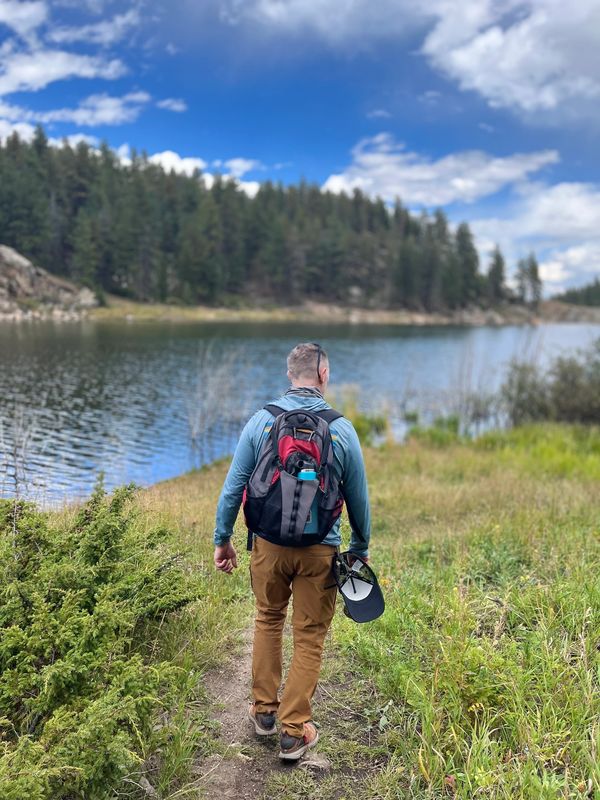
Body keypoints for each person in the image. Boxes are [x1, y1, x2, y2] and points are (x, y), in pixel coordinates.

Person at [213, 342, 371, 760]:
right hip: (320, 549)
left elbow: (234, 486)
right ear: (323, 374)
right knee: (310, 635)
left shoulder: (261, 422)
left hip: (268, 544)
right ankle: (293, 730)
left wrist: (222, 537)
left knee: (267, 618)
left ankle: (264, 711)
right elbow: (359, 499)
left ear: (289, 375)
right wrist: (360, 548)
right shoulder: (340, 429)